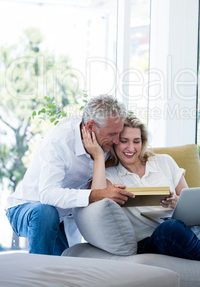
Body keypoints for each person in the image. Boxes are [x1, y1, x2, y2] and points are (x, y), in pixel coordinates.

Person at [83, 113, 200, 262]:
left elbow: (190, 200)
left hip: (193, 233)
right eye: (124, 141)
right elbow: (97, 202)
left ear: (143, 142)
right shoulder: (109, 174)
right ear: (114, 142)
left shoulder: (164, 161)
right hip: (156, 237)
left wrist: (176, 203)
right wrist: (99, 156)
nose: (130, 147)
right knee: (172, 228)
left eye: (136, 141)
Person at [5, 95, 134, 255]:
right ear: (90, 126)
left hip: (62, 219)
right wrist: (96, 195)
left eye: (119, 133)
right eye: (112, 134)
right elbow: (47, 194)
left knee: (62, 269)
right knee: (45, 212)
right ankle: (36, 273)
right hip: (27, 208)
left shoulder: (105, 143)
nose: (116, 140)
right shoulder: (59, 142)